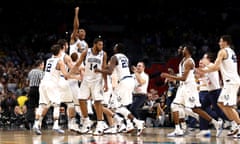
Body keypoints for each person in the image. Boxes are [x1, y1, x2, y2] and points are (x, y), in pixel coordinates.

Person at [161, 44, 222, 137]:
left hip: (189, 87)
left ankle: (216, 123)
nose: (181, 50)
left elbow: (184, 78)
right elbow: (183, 75)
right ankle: (178, 129)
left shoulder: (189, 62)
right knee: (174, 106)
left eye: (183, 49)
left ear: (188, 51)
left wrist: (168, 76)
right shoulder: (183, 60)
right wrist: (173, 75)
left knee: (195, 109)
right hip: (183, 87)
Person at [94, 43, 145, 136]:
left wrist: (99, 70)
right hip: (130, 81)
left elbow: (109, 72)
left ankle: (127, 122)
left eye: (115, 46)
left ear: (117, 49)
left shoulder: (114, 57)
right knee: (120, 106)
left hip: (124, 82)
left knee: (113, 106)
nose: (113, 48)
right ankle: (131, 124)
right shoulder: (125, 57)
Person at [197, 35, 240, 138]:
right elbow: (217, 66)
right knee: (221, 103)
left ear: (225, 42)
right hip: (231, 81)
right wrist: (206, 68)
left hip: (230, 81)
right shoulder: (231, 51)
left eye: (220, 41)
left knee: (227, 106)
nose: (219, 43)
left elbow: (216, 67)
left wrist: (204, 70)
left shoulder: (222, 51)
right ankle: (234, 125)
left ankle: (238, 125)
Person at [70, 37, 108, 136]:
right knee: (81, 99)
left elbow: (103, 68)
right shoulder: (86, 52)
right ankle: (86, 122)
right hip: (86, 79)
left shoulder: (103, 54)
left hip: (97, 80)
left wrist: (106, 83)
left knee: (97, 101)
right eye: (100, 44)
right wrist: (69, 74)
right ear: (95, 44)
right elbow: (78, 64)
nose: (101, 46)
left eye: (102, 45)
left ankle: (100, 124)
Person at [32, 44, 73, 135]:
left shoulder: (48, 60)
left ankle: (36, 124)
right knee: (56, 104)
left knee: (42, 105)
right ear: (60, 51)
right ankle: (55, 125)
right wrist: (74, 74)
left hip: (43, 84)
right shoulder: (60, 61)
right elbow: (66, 75)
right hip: (52, 84)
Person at [26, 59, 44, 128]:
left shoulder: (31, 72)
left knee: (31, 106)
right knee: (39, 106)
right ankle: (39, 121)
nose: (43, 66)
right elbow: (42, 81)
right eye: (42, 65)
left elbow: (27, 81)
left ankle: (28, 120)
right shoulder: (40, 72)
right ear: (40, 65)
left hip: (31, 89)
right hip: (38, 89)